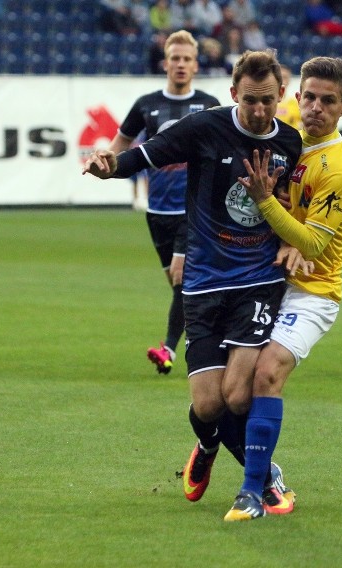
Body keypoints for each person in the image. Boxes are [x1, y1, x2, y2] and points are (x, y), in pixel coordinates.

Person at [82, 49, 304, 505]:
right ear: (233, 93)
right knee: (208, 405)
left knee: (238, 395)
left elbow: (295, 201)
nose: (260, 111)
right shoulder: (206, 127)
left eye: (268, 101)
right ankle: (206, 447)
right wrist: (112, 165)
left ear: (281, 94)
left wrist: (292, 240)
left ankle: (262, 477)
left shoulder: (291, 141)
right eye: (250, 101)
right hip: (204, 280)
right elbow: (147, 153)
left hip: (257, 281)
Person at [222, 56, 342, 521]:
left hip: (314, 292)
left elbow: (315, 242)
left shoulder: (340, 167)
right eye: (310, 97)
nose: (316, 107)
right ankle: (208, 444)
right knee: (229, 391)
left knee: (267, 375)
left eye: (328, 100)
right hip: (266, 282)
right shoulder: (284, 138)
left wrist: (267, 202)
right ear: (295, 97)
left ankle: (251, 492)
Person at [105, 30, 220, 374]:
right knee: (179, 283)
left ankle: (169, 349)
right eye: (175, 58)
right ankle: (206, 336)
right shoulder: (146, 104)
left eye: (187, 59)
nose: (181, 64)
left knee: (183, 277)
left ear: (196, 65)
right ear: (165, 63)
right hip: (157, 212)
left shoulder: (210, 105)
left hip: (193, 210)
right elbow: (121, 144)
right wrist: (104, 163)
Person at [276, 64, 302, 130]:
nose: (282, 80)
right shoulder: (265, 103)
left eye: (284, 77)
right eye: (279, 77)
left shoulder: (297, 104)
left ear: (289, 80)